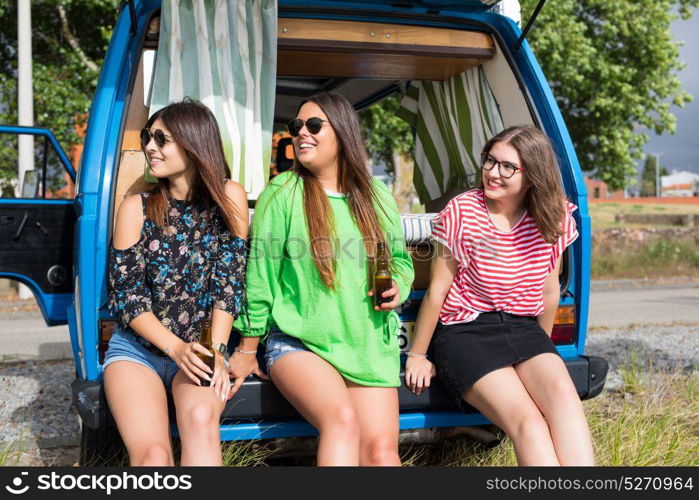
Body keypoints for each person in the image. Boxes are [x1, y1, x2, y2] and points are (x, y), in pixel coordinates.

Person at [232, 92, 414, 466]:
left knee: (381, 455)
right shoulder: (282, 193)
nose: (302, 133)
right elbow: (260, 276)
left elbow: (400, 261)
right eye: (296, 126)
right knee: (342, 422)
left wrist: (398, 286)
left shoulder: (376, 194)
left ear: (343, 132)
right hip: (300, 346)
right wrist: (247, 348)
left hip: (366, 345)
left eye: (314, 125)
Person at [404, 125, 595, 466]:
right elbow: (438, 290)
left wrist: (543, 350)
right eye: (490, 161)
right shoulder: (462, 211)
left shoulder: (554, 217)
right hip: (466, 331)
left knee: (566, 402)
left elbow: (549, 289)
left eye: (507, 166)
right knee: (529, 423)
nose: (493, 172)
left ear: (533, 174)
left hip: (524, 329)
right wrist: (418, 354)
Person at [104, 99, 250, 466]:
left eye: (161, 139)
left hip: (201, 350)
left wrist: (215, 349)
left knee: (201, 422)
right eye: (147, 137)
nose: (149, 147)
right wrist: (174, 348)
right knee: (153, 456)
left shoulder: (229, 197)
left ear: (193, 142)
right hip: (138, 352)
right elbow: (128, 299)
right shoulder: (136, 208)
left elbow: (228, 284)